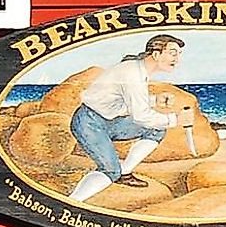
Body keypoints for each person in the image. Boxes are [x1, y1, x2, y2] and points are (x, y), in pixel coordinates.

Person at [67, 34, 195, 201]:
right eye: (173, 53)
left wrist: (154, 100)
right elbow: (141, 115)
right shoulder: (132, 74)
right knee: (110, 171)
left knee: (156, 129)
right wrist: (176, 120)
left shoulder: (137, 70)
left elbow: (120, 102)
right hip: (89, 123)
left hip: (110, 120)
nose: (177, 59)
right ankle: (71, 203)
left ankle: (125, 172)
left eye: (178, 54)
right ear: (156, 54)